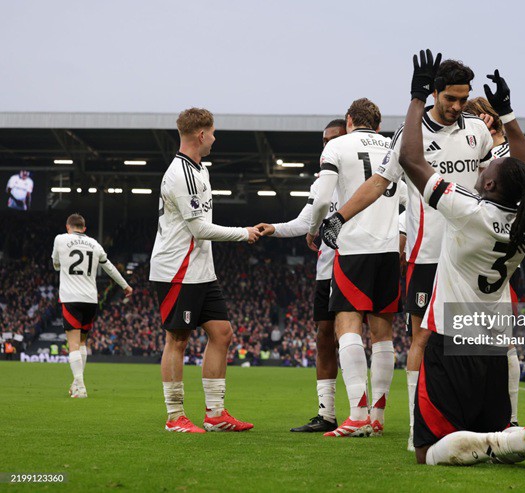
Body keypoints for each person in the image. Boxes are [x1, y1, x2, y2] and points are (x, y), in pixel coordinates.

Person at [397, 50, 525, 473]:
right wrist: (507, 113)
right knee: (491, 431)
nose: (494, 159)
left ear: (487, 183)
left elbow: (411, 160)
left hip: (452, 340)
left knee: (425, 452)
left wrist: (416, 101)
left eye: (493, 166)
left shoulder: (468, 209)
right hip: (491, 342)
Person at [321, 58, 497, 450]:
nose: (456, 106)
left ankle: (483, 422)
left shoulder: (477, 132)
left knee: (477, 338)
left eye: (463, 99)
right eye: (450, 98)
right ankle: (420, 430)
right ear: (434, 93)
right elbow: (379, 182)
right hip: (429, 251)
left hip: (472, 253)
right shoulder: (411, 135)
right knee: (422, 337)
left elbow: (491, 183)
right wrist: (339, 216)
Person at [149, 108, 260, 433]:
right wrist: (244, 233)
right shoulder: (180, 174)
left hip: (200, 270)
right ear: (201, 135)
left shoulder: (199, 170)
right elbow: (199, 228)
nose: (215, 137)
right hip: (176, 270)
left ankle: (215, 414)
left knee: (222, 333)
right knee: (178, 339)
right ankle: (175, 417)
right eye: (212, 132)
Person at [308, 98, 401, 438]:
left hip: (354, 247)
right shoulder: (393, 147)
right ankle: (376, 417)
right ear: (377, 125)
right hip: (390, 248)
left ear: (349, 120)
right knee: (383, 335)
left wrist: (317, 225)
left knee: (347, 326)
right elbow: (406, 197)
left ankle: (357, 415)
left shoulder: (336, 146)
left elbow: (321, 199)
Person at [254, 119, 347, 433]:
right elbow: (308, 217)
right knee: (324, 336)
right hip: (327, 269)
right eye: (324, 140)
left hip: (359, 263)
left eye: (333, 139)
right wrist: (275, 229)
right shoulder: (322, 179)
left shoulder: (368, 175)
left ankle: (369, 414)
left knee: (361, 336)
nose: (327, 146)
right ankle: (327, 414)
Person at [464, 96, 521, 426]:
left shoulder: (505, 155)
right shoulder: (473, 151)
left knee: (503, 337)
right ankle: (482, 412)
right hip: (472, 243)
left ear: (491, 117)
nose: (475, 123)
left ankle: (510, 417)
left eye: (478, 116)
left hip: (498, 244)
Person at [51, 213, 133, 398]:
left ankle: (80, 386)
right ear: (84, 229)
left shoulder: (61, 239)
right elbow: (109, 266)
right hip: (90, 299)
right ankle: (76, 382)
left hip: (71, 298)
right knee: (82, 343)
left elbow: (56, 264)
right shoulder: (95, 244)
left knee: (72, 344)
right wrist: (125, 285)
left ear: (68, 226)